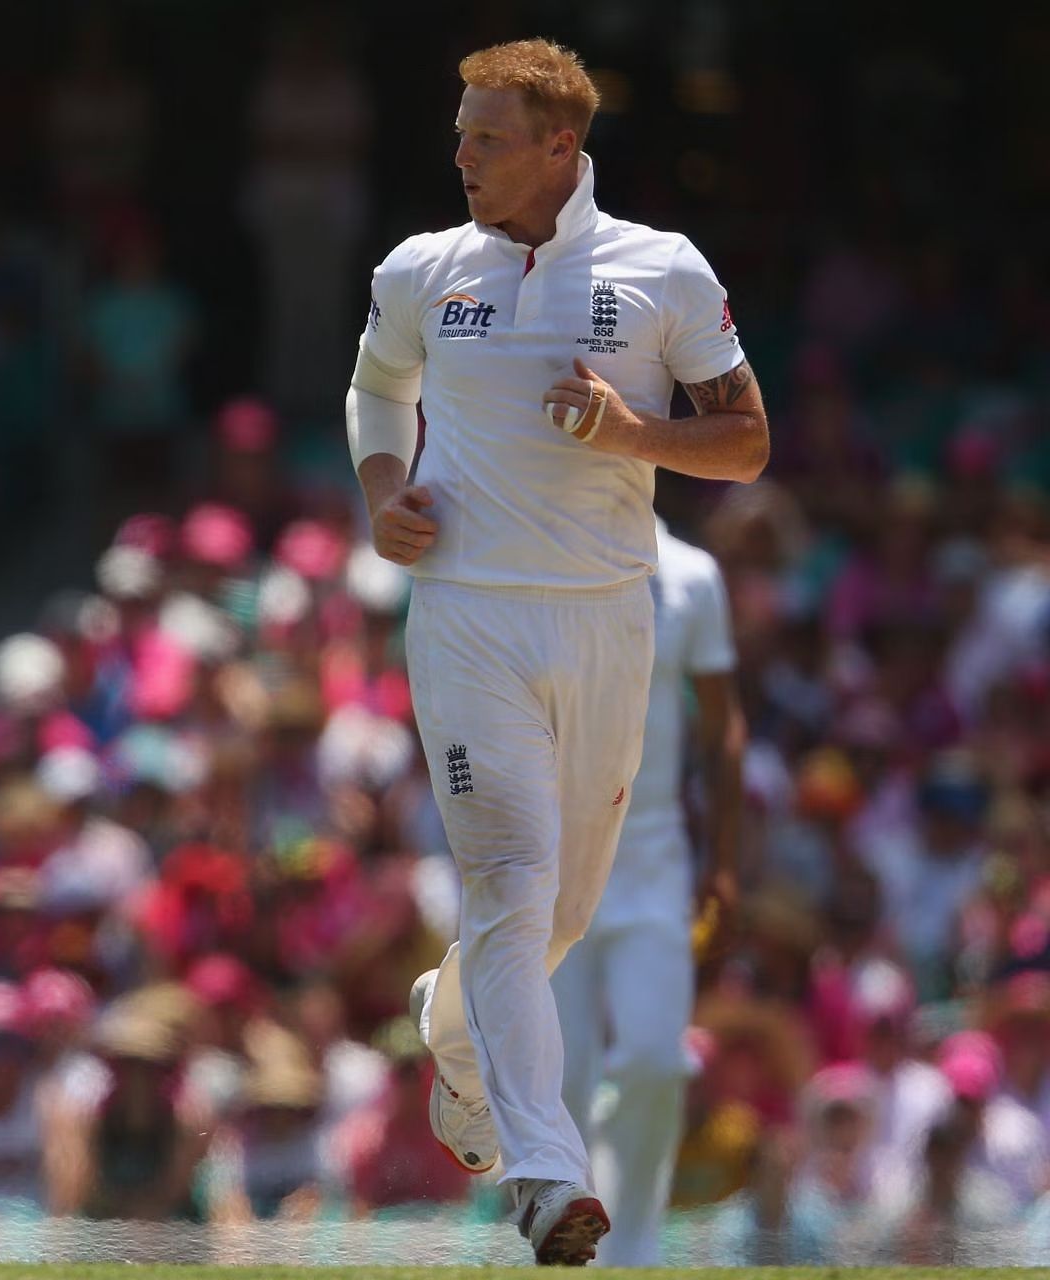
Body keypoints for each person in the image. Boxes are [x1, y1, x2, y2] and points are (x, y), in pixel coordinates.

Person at [344, 38, 768, 1264]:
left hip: (606, 616)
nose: (462, 154)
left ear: (558, 147)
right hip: (468, 612)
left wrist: (632, 427)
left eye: (486, 136)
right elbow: (378, 391)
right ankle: (545, 1173)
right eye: (461, 131)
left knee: (556, 915)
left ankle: (451, 1022)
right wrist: (384, 492)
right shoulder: (424, 270)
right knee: (513, 890)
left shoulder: (661, 270)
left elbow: (744, 442)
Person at [551, 518, 745, 1264]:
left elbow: (724, 729)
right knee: (560, 1079)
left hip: (656, 860)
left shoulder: (694, 575)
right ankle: (568, 1249)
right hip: (559, 865)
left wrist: (723, 865)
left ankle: (631, 1251)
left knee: (657, 1064)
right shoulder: (546, 548)